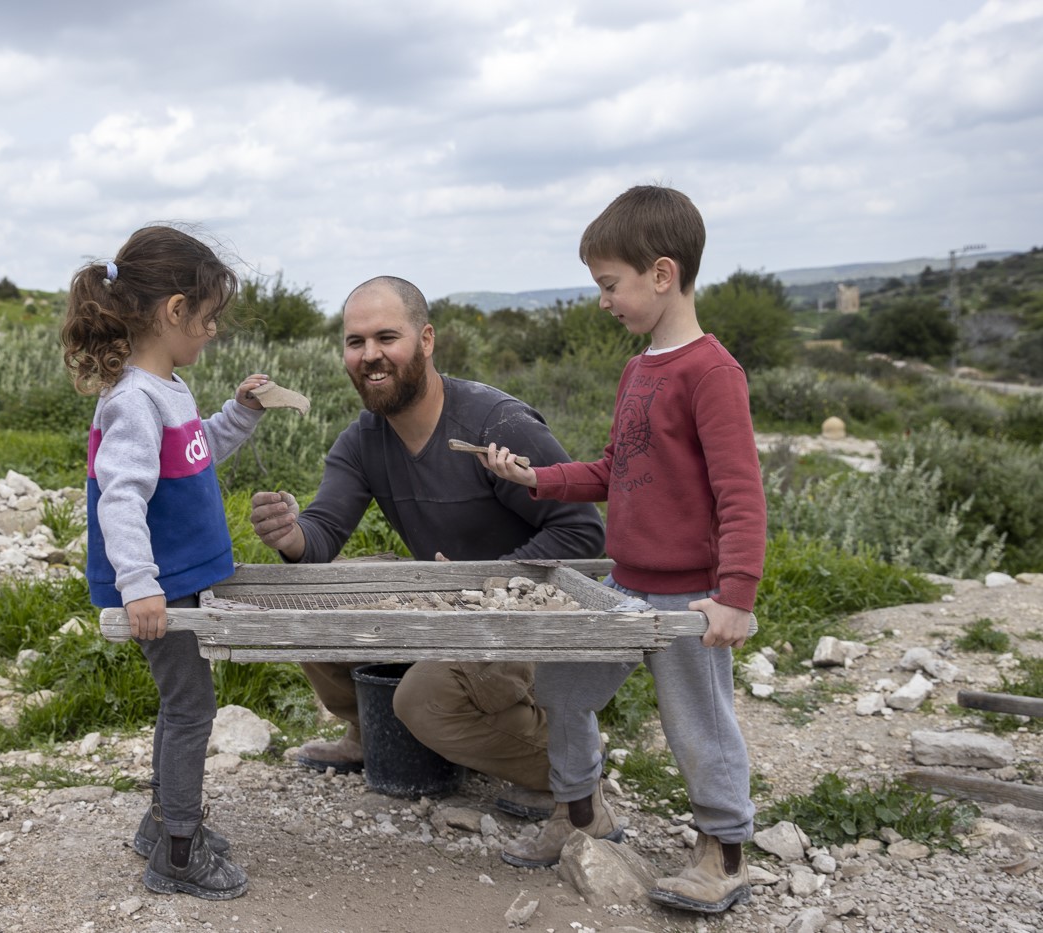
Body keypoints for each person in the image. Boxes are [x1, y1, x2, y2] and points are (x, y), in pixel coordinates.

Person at [471, 185, 765, 915]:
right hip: (622, 586)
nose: (603, 300)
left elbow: (741, 494)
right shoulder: (640, 369)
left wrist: (734, 597)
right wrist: (535, 477)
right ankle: (581, 816)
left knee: (697, 721)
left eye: (610, 285)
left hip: (688, 594)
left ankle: (722, 852)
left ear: (661, 275)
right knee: (564, 690)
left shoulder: (711, 372)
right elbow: (614, 469)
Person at [248, 275, 606, 818]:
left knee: (420, 699)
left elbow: (582, 535)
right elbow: (320, 536)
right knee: (311, 596)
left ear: (427, 340)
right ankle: (370, 734)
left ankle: (565, 767)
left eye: (387, 338)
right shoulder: (364, 437)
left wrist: (482, 583)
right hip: (448, 604)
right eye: (355, 342)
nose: (370, 356)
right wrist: (291, 536)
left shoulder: (496, 424)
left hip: (524, 618)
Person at [62, 225, 275, 901]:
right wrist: (139, 586)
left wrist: (238, 414)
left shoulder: (166, 386)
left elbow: (193, 451)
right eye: (208, 318)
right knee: (191, 708)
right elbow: (120, 498)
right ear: (174, 311)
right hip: (164, 585)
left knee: (183, 702)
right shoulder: (131, 399)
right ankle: (179, 851)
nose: (213, 331)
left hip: (182, 578)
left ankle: (163, 823)